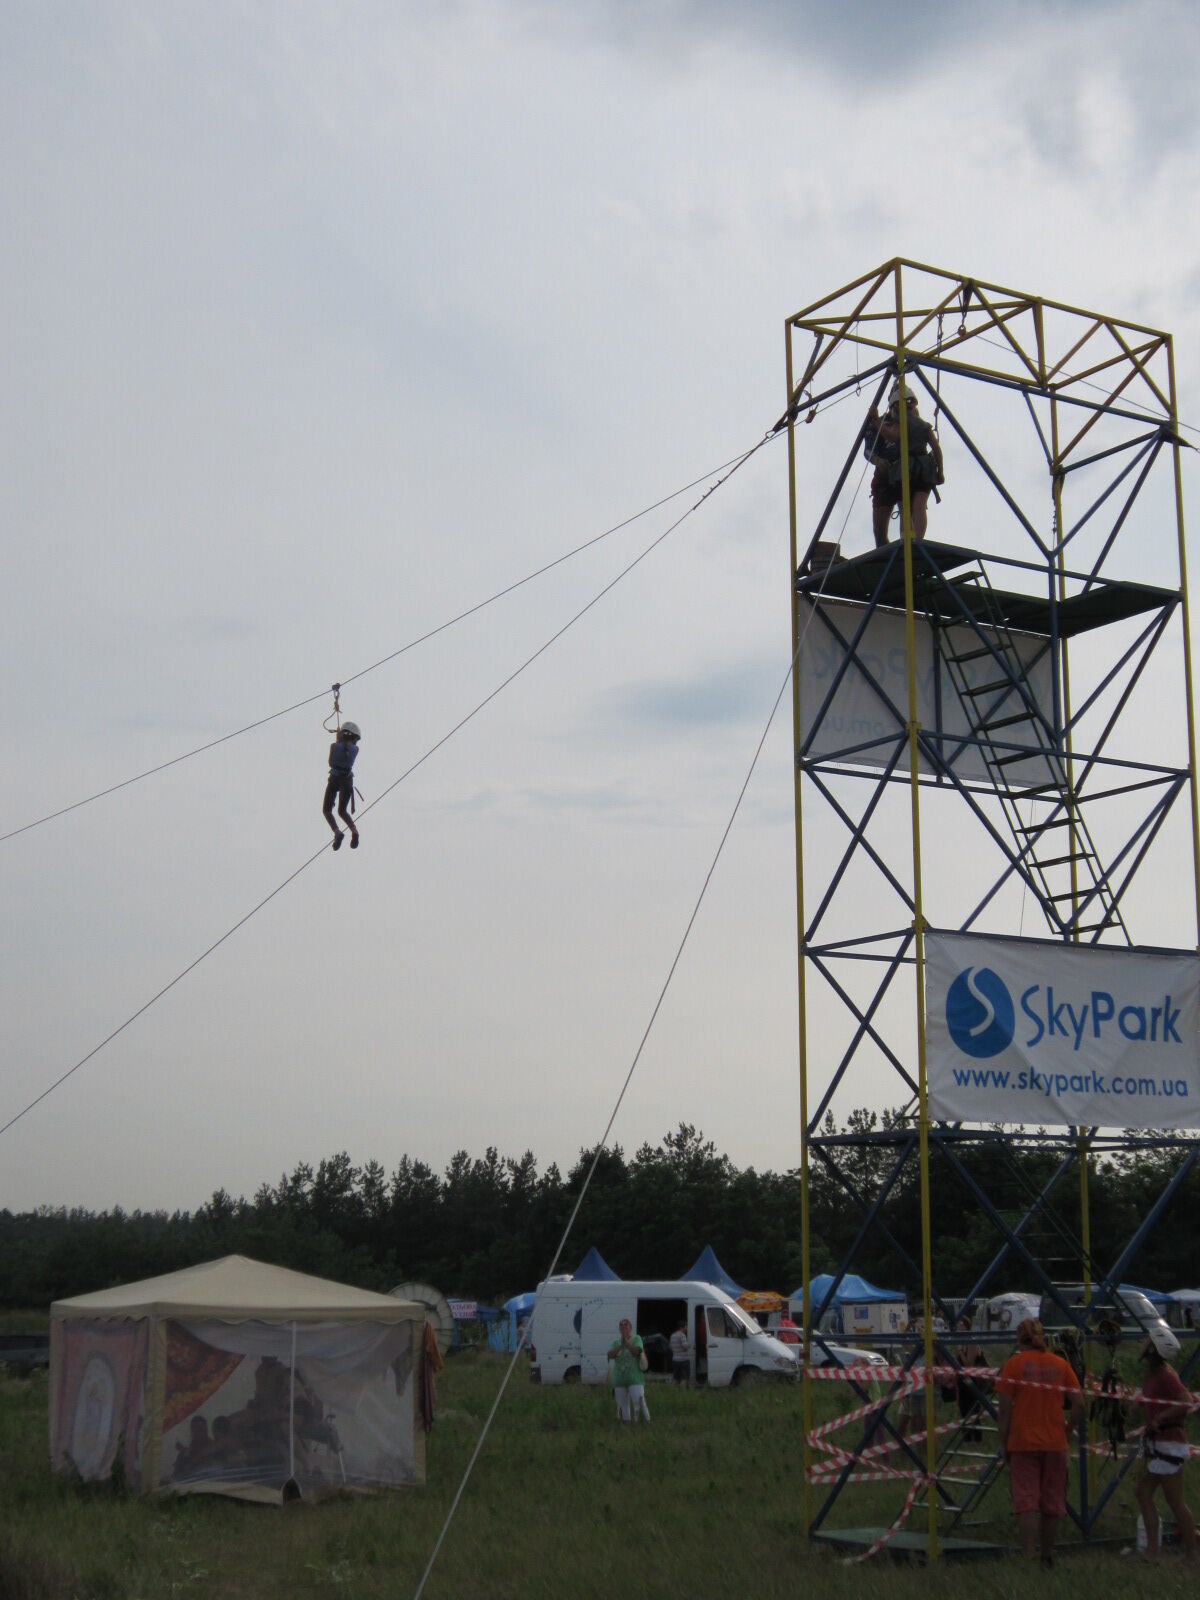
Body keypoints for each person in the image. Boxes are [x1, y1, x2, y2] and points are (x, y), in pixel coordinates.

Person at [996, 1318, 1084, 1567]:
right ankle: (1047, 1556)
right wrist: (1067, 1431)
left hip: (1023, 1442)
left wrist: (1004, 1443)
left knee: (1026, 1503)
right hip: (1055, 1442)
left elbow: (1004, 1410)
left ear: (1019, 1340)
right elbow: (1079, 1404)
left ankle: (1028, 1556)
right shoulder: (1061, 1364)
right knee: (1053, 1502)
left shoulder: (1013, 1366)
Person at [1135, 1324, 1196, 1563]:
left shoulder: (1166, 1375)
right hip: (1160, 1444)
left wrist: (1160, 1417)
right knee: (1143, 1493)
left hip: (1170, 1444)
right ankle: (1152, 1551)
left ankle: (1191, 1554)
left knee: (1175, 1501)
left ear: (1153, 1348)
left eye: (1147, 1341)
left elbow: (1186, 1401)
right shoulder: (1154, 1374)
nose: (1143, 1343)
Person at [862, 379, 944, 549]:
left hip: (906, 471)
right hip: (891, 475)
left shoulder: (910, 421)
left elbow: (895, 437)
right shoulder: (889, 422)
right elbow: (868, 450)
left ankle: (910, 545)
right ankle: (905, 548)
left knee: (907, 510)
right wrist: (878, 460)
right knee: (882, 529)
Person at [323, 721, 361, 850]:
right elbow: (347, 749)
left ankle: (337, 832)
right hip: (347, 781)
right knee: (342, 811)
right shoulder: (356, 750)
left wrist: (338, 741)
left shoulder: (334, 746)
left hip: (334, 779)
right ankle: (354, 831)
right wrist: (340, 741)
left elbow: (331, 762)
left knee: (327, 810)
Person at [607, 1317, 649, 1423]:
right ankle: (625, 1424)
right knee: (622, 1405)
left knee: (639, 1402)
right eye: (621, 1327)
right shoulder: (616, 1342)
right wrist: (621, 1345)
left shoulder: (637, 1339)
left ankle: (643, 1423)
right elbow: (610, 1355)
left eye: (626, 1326)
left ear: (630, 1328)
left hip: (635, 1378)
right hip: (619, 1379)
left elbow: (637, 1351)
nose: (624, 1328)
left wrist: (627, 1343)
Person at [954, 1314, 989, 1442]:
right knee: (963, 1410)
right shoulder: (961, 1342)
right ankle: (967, 1438)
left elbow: (969, 1363)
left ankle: (977, 1438)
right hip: (962, 1380)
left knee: (973, 1410)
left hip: (972, 1380)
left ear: (965, 1325)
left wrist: (960, 1353)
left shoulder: (971, 1341)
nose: (957, 1327)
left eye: (960, 1324)